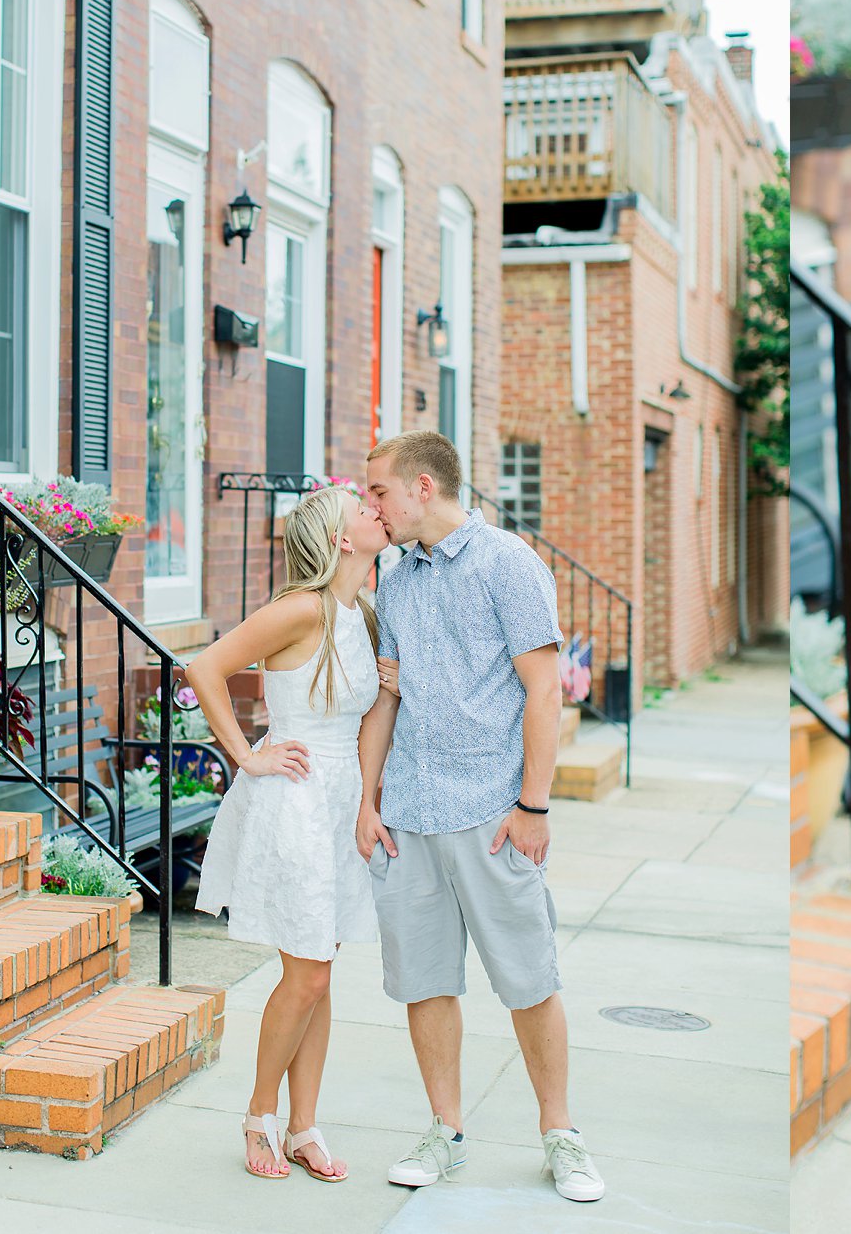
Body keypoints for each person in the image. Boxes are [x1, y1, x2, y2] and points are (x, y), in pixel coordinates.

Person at [356, 430, 604, 1203]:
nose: (374, 507)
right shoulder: (394, 585)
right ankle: (445, 1130)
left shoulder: (508, 564)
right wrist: (368, 801)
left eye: (380, 493)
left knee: (529, 979)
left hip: (493, 813)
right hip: (410, 815)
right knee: (426, 982)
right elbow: (387, 699)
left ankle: (560, 1133)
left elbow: (544, 690)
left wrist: (534, 804)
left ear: (423, 487)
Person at [187, 484, 390, 1182]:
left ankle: (305, 1126)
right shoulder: (299, 609)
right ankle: (259, 1117)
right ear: (339, 537)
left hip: (337, 804)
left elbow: (366, 720)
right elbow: (204, 667)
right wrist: (246, 752)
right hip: (295, 801)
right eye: (363, 508)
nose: (375, 512)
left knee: (319, 976)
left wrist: (367, 800)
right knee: (306, 977)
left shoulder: (358, 613)